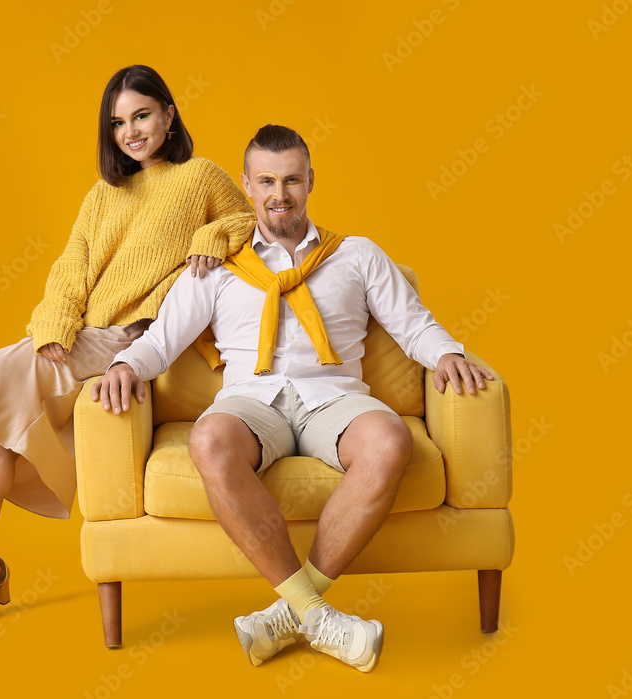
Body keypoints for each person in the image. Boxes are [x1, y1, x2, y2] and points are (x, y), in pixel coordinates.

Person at [0, 65, 255, 629]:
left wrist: (210, 236)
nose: (131, 131)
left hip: (132, 340)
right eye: (118, 123)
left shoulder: (200, 176)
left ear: (168, 114)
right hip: (83, 338)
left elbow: (250, 220)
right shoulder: (103, 194)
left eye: (142, 115)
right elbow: (70, 269)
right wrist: (56, 321)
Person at [91, 124, 494, 671]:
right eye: (266, 181)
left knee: (389, 441)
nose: (279, 193)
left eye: (291, 180)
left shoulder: (356, 255)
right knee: (209, 441)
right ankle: (318, 615)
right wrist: (123, 366)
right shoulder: (216, 267)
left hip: (335, 397)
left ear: (310, 182)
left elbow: (413, 324)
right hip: (251, 399)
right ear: (247, 187)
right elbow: (162, 339)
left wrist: (447, 354)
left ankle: (288, 615)